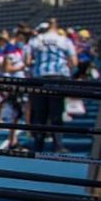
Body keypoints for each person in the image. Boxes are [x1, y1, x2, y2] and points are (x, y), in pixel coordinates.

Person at [26, 20, 78, 152]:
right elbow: (74, 62)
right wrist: (68, 73)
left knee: (40, 113)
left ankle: (38, 144)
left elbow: (27, 61)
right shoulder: (64, 40)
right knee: (56, 113)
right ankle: (58, 144)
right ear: (57, 27)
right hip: (58, 77)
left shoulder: (35, 40)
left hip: (39, 77)